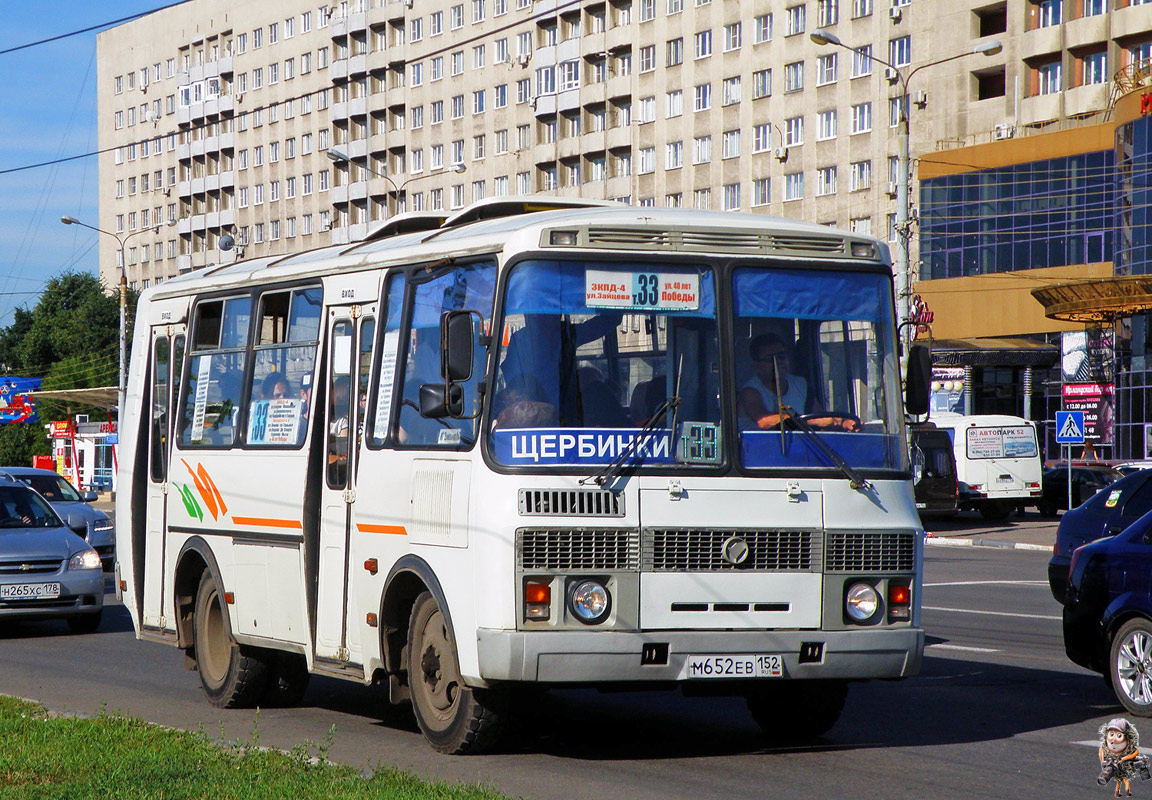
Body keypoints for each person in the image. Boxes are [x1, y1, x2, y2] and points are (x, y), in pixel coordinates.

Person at [738, 332, 860, 432]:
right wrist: (811, 421)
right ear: (756, 365)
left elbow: (820, 418)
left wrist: (841, 422)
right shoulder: (750, 392)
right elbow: (763, 421)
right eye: (771, 359)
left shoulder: (801, 385)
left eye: (781, 356)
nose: (779, 362)